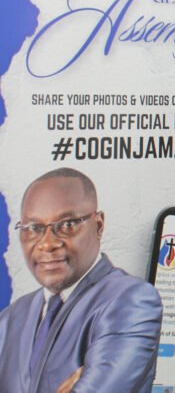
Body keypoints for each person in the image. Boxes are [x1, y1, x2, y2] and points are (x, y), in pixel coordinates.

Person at [0, 168, 162, 393]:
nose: (47, 243)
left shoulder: (132, 300)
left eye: (67, 225)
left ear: (98, 226)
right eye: (34, 228)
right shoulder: (10, 318)